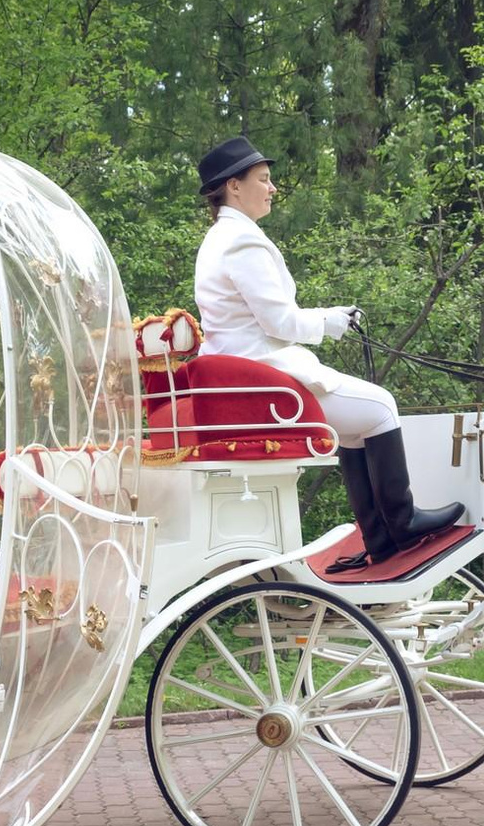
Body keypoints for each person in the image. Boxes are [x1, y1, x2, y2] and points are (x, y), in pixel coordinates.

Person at [193, 135, 462, 570]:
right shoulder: (243, 243)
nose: (273, 188)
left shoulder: (218, 240)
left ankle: (382, 537)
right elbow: (280, 323)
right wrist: (331, 323)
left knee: (357, 430)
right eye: (263, 179)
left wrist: (327, 314)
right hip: (267, 377)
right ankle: (402, 521)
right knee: (382, 409)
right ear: (234, 186)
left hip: (251, 372)